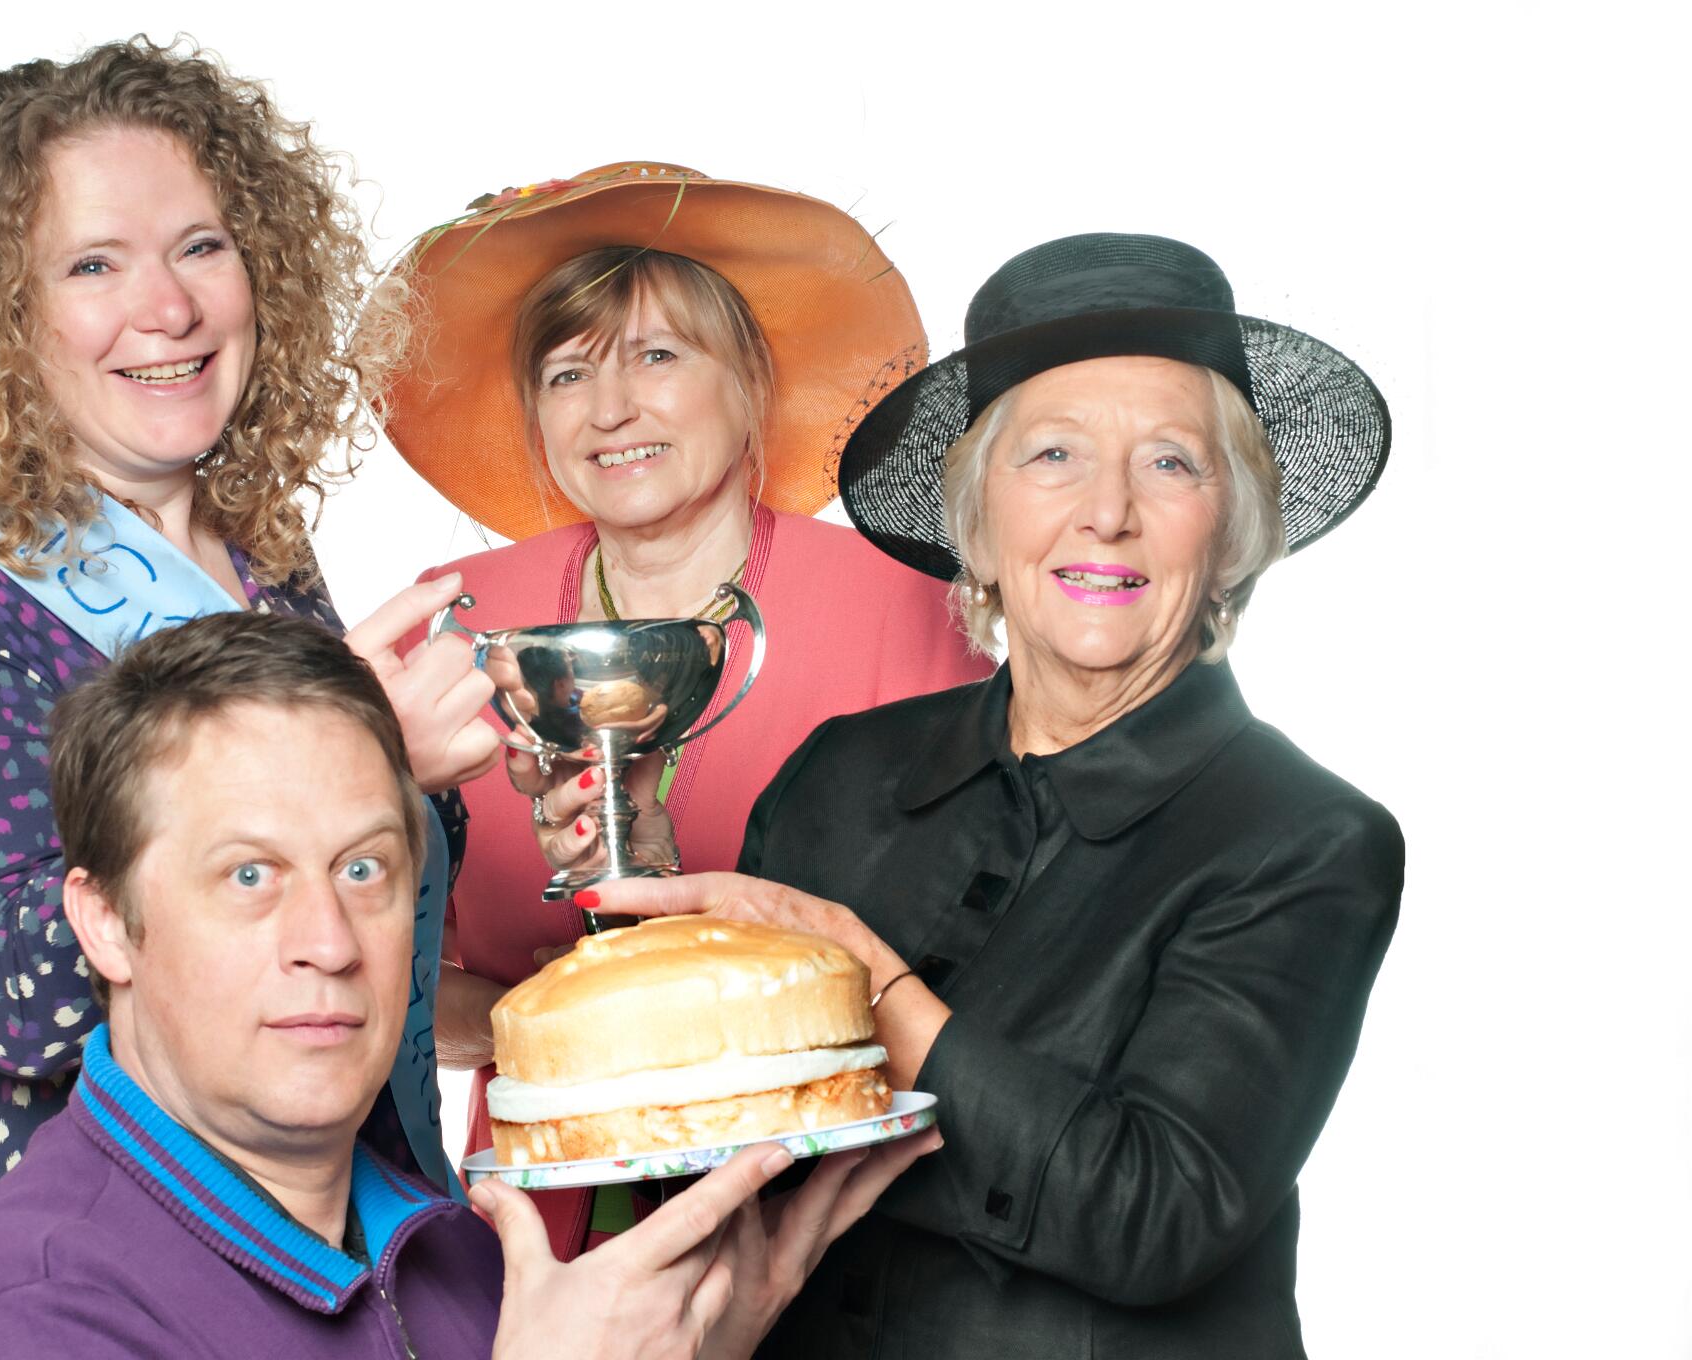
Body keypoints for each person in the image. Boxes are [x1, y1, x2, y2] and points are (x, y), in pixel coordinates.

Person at [0, 39, 498, 1357]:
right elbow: (9, 992)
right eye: (94, 265)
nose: (165, 308)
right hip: (55, 1261)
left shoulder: (262, 564)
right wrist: (366, 758)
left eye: (201, 248)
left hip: (320, 1237)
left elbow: (333, 893)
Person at [587, 232, 1404, 1357]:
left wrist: (871, 983)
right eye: (1053, 454)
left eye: (1171, 463)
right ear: (978, 519)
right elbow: (723, 1137)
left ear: (1230, 531)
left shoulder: (1307, 840)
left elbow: (1155, 1216)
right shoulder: (840, 773)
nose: (1107, 511)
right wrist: (638, 886)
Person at [0, 610, 941, 1358]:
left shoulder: (458, 1256)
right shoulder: (21, 1319)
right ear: (107, 923)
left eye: (363, 870)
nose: (328, 943)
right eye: (249, 875)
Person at [380, 164, 993, 1256]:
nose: (609, 408)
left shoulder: (902, 604)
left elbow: (987, 952)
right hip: (539, 1222)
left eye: (657, 356)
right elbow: (381, 953)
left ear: (749, 380)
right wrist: (546, 1021)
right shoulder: (461, 617)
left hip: (841, 1220)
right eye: (568, 373)